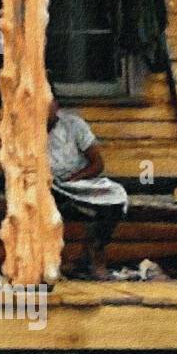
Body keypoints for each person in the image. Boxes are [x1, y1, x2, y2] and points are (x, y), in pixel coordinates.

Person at [48, 99, 127, 280]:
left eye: (47, 102)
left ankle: (93, 253)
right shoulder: (25, 129)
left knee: (116, 195)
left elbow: (97, 164)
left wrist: (75, 179)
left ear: (56, 105)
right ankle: (50, 264)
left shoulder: (73, 125)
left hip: (79, 184)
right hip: (48, 186)